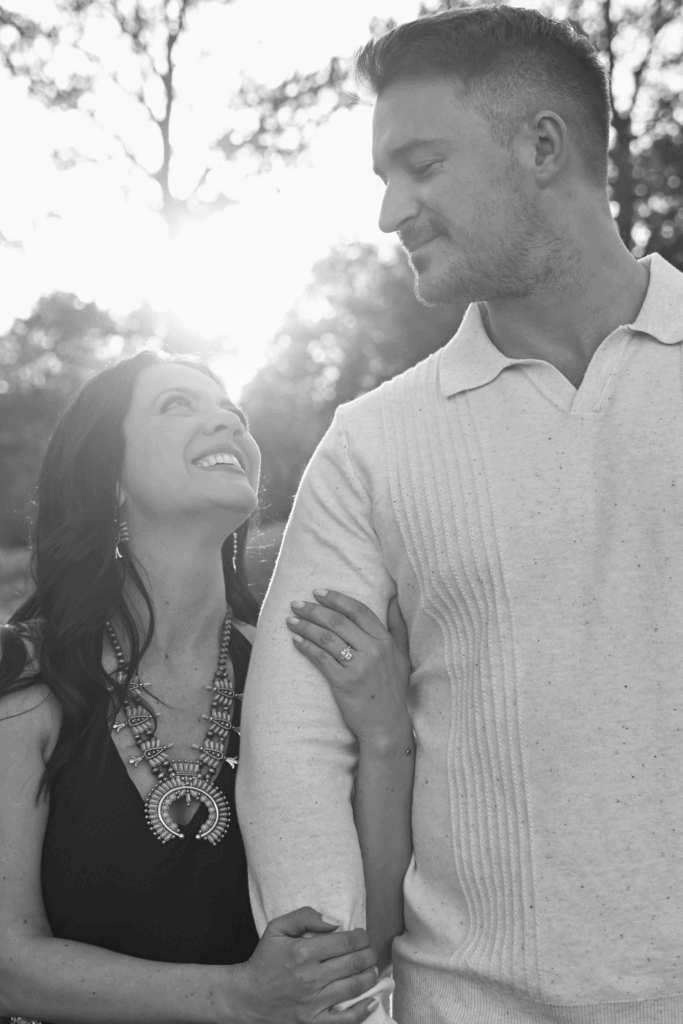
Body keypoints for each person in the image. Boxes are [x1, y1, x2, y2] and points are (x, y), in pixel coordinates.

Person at [237, 6, 683, 1024]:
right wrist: (335, 987)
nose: (390, 211)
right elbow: (294, 738)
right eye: (382, 176)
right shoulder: (371, 443)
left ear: (541, 146)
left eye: (422, 165)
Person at [0, 350, 408, 1024]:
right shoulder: (26, 673)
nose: (227, 422)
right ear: (109, 478)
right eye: (176, 405)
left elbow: (369, 946)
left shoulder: (298, 669)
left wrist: (386, 734)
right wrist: (238, 997)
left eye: (232, 411)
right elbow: (8, 965)